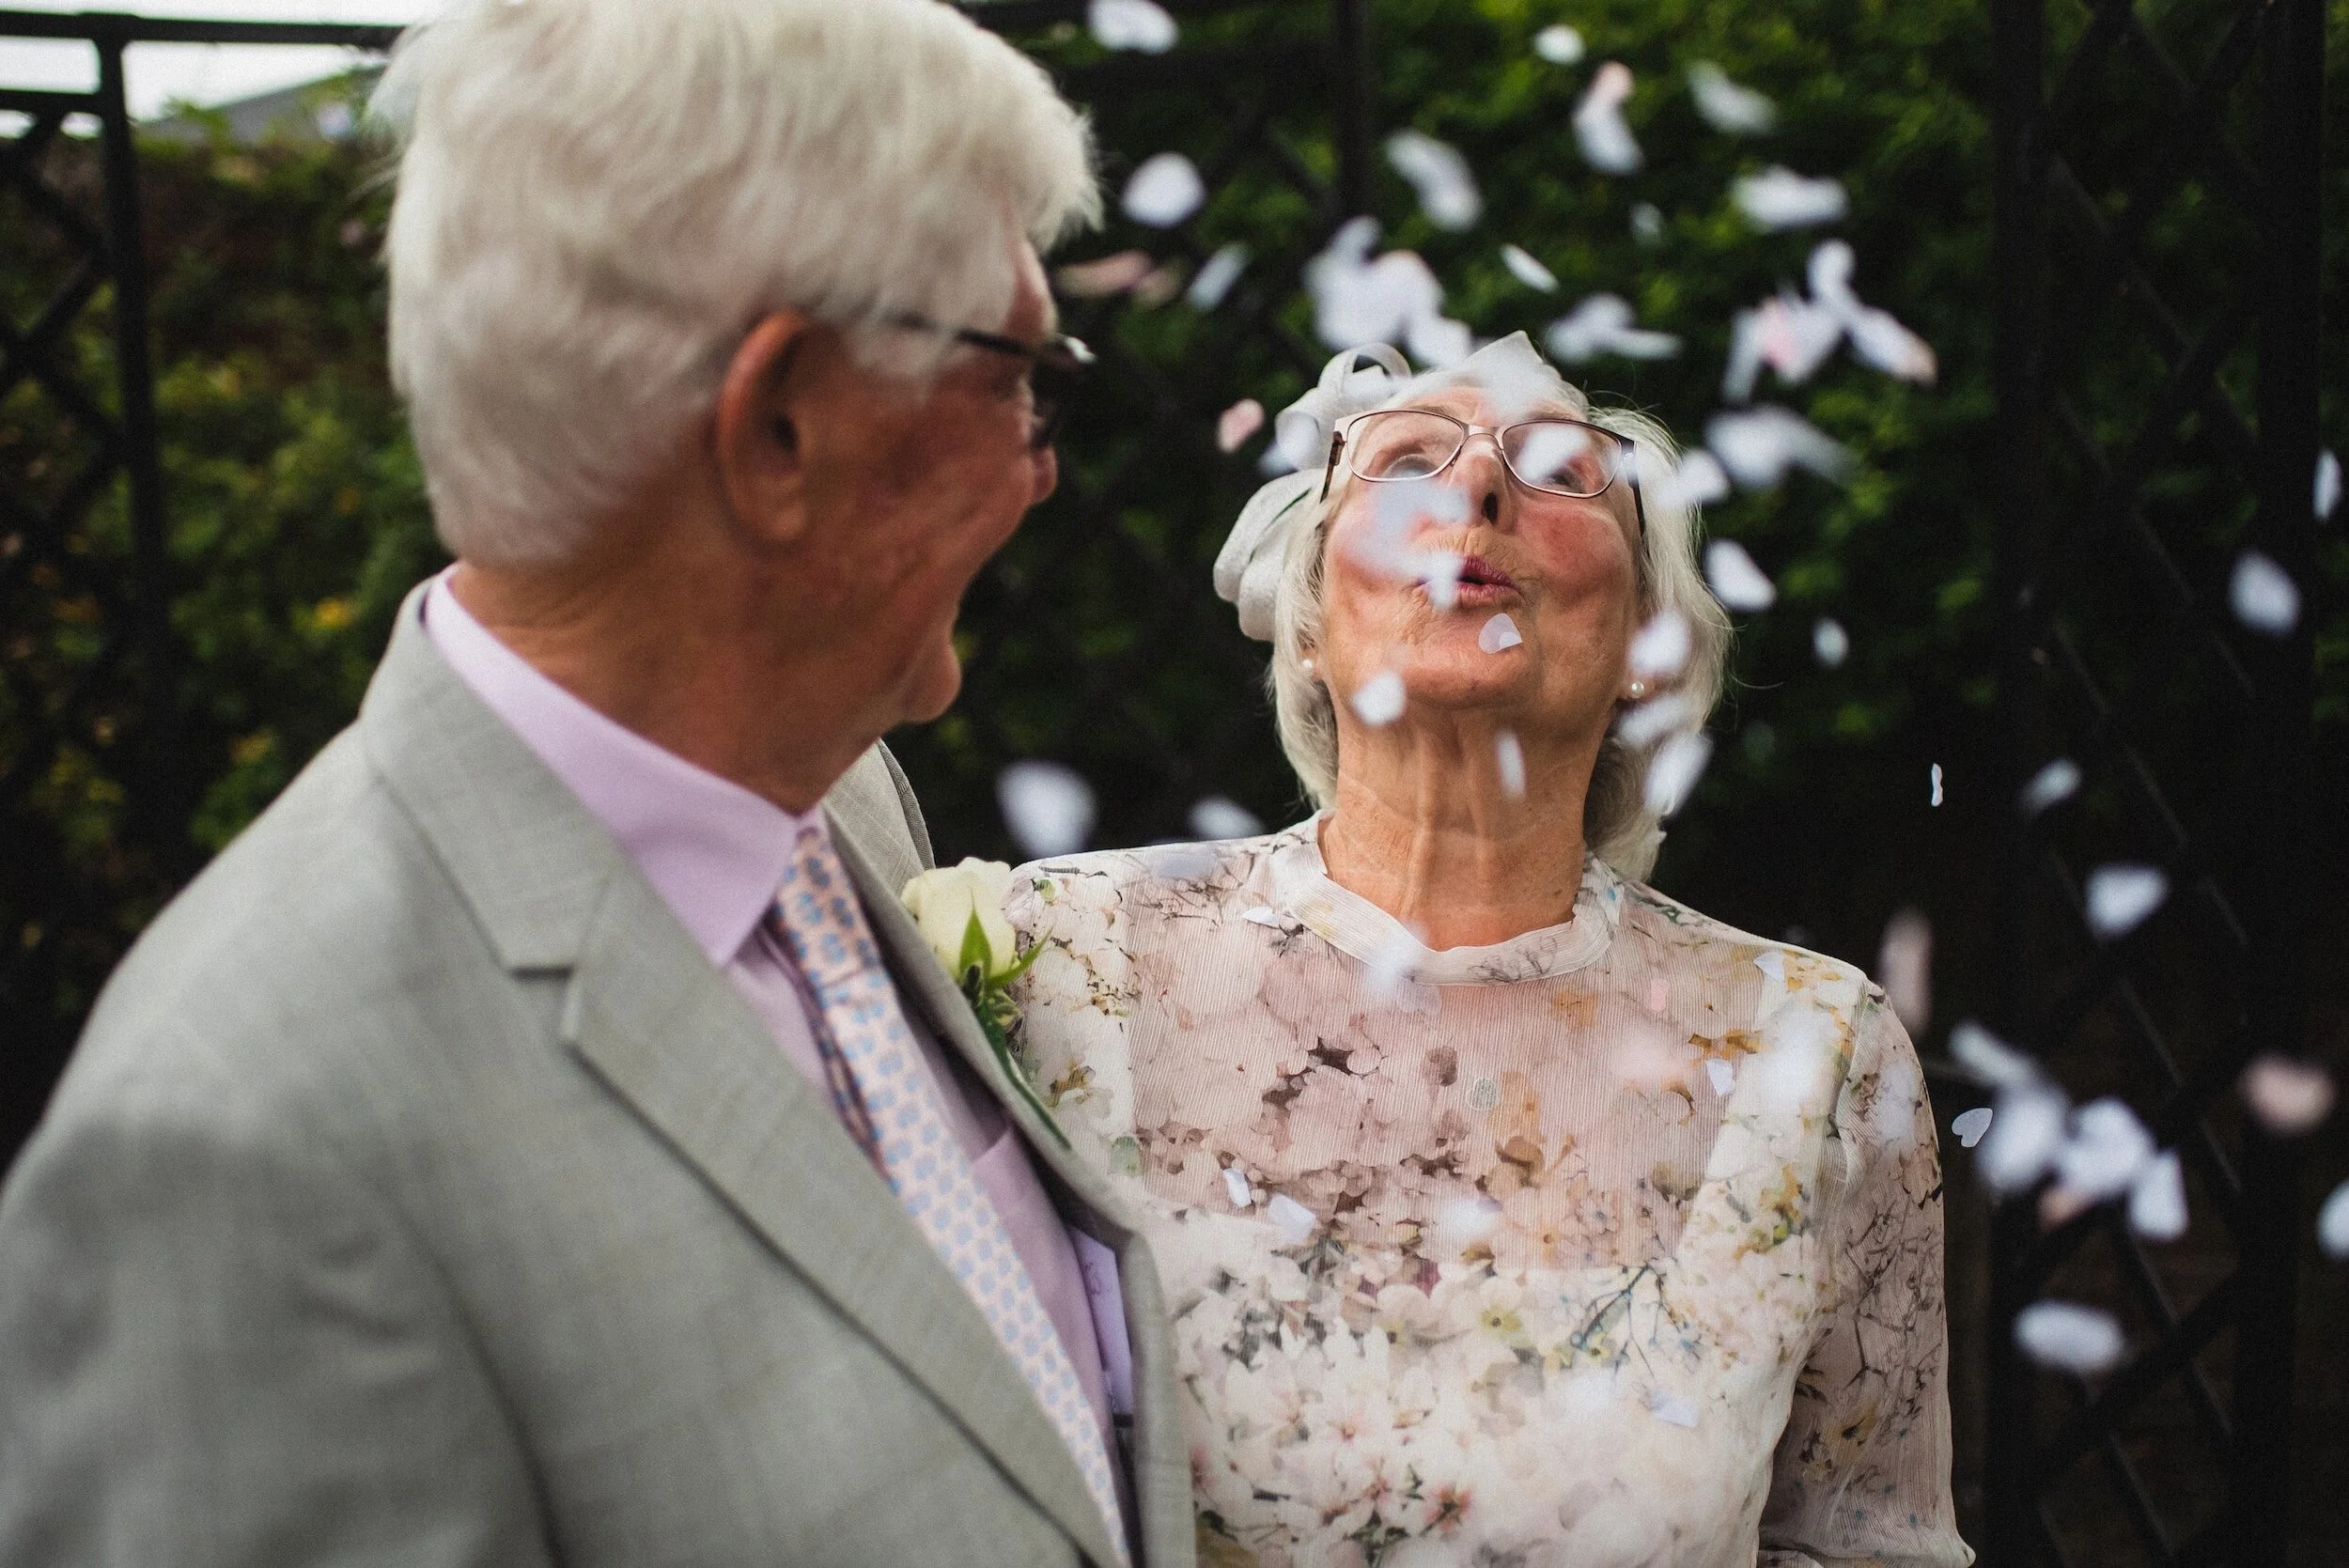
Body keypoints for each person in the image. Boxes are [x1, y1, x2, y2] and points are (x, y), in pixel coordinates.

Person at [0, 3, 1190, 1564]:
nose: (1041, 462)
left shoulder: (833, 797)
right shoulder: (244, 1149)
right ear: (780, 427)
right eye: (1020, 375)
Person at [1002, 336, 1972, 1567]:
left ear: (1641, 650)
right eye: (1405, 461)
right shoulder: (1063, 961)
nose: (1477, 491)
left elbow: (1868, 1546)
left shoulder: (1813, 1051)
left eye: (1562, 469)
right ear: (1307, 629)